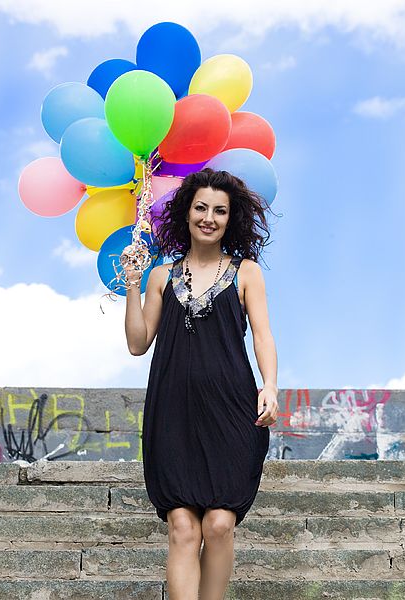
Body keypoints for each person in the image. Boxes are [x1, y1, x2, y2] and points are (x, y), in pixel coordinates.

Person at [122, 168, 278, 600]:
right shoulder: (159, 276)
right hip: (172, 411)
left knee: (219, 523)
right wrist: (133, 285)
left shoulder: (246, 273)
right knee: (183, 528)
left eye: (220, 211)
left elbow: (263, 335)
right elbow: (138, 343)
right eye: (201, 208)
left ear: (232, 218)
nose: (209, 217)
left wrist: (270, 386)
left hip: (231, 409)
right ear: (187, 212)